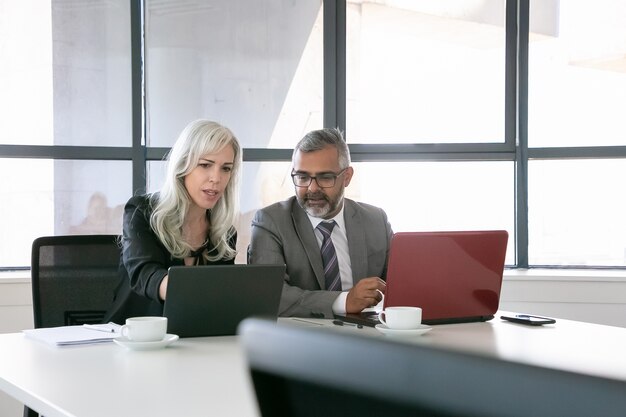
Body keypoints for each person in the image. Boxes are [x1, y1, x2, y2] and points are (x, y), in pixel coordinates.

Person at [104, 119, 242, 324]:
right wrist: (202, 294)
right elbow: (146, 275)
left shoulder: (224, 233)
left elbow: (220, 301)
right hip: (135, 339)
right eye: (205, 165)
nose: (216, 178)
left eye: (226, 168)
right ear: (182, 165)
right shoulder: (142, 212)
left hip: (192, 339)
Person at [248, 128, 392, 318]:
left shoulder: (375, 220)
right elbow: (268, 295)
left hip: (369, 336)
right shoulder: (270, 222)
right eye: (302, 177)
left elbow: (403, 285)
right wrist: (344, 301)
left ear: (347, 177)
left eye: (325, 177)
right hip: (302, 340)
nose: (312, 188)